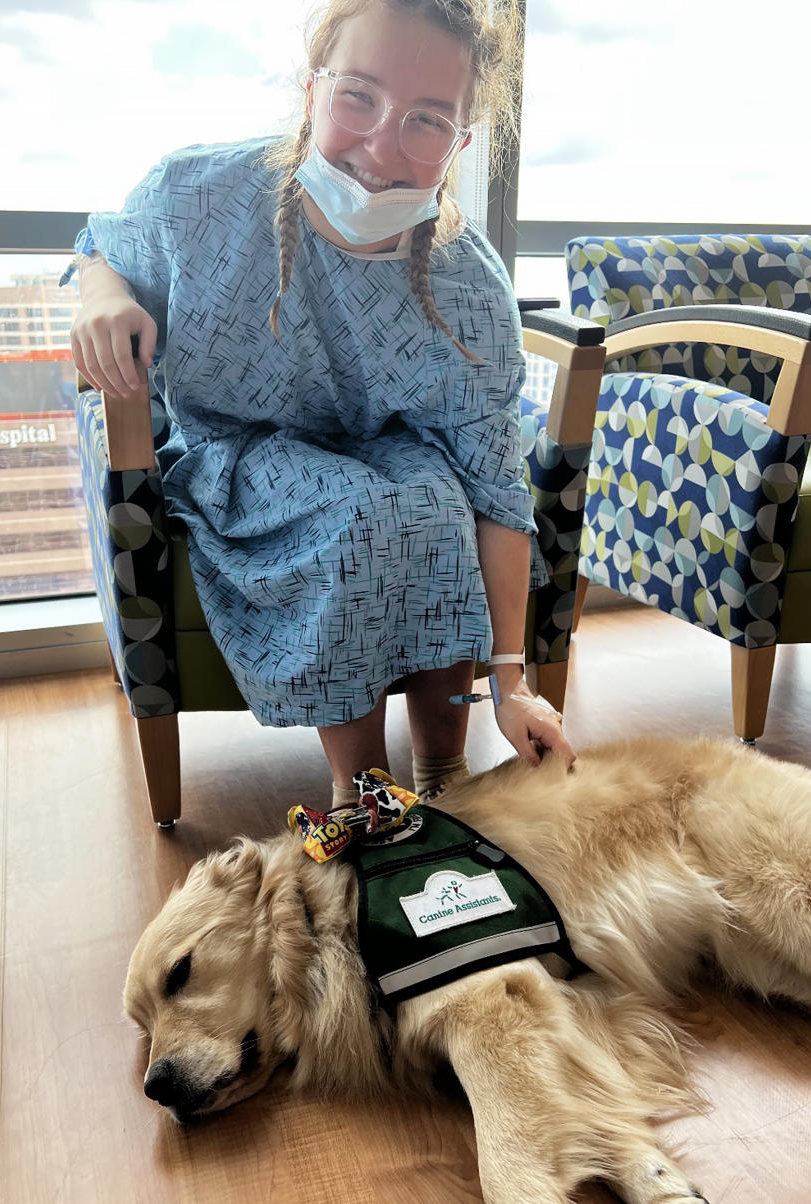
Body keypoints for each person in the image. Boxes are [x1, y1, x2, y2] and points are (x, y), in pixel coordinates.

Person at [70, 0, 576, 807]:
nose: (382, 145)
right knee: (363, 510)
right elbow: (103, 246)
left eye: (426, 120)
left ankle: (445, 775)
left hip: (390, 453)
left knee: (438, 499)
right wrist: (101, 291)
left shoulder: (472, 290)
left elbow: (497, 492)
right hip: (235, 454)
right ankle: (363, 785)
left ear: (460, 144)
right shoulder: (197, 196)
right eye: (358, 97)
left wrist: (512, 683)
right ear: (311, 91)